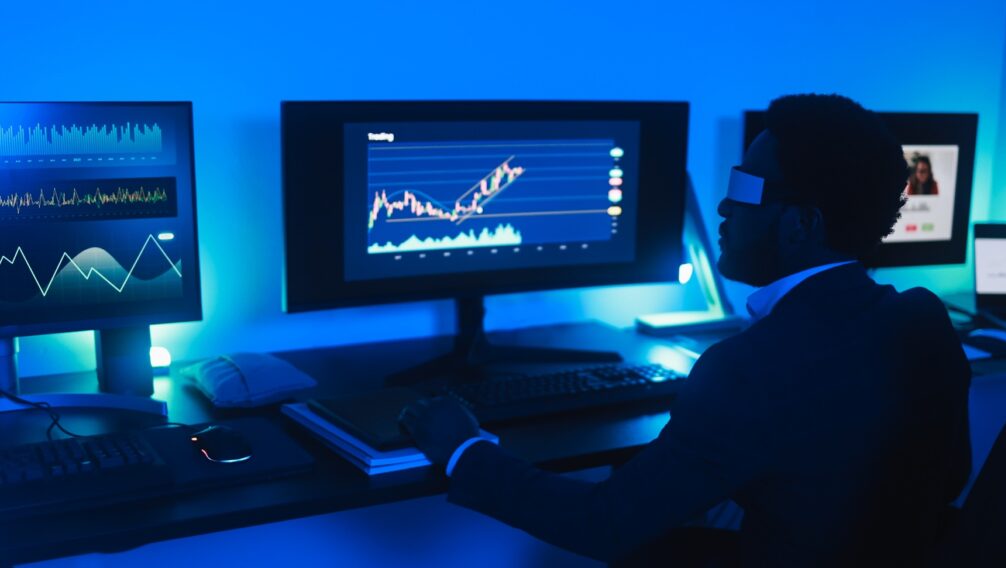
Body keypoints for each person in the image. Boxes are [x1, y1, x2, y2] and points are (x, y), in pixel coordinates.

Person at [399, 94, 972, 566]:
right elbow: (946, 478)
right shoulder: (921, 319)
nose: (724, 205)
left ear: (802, 225)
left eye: (747, 188)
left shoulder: (752, 367)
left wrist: (462, 448)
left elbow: (603, 524)